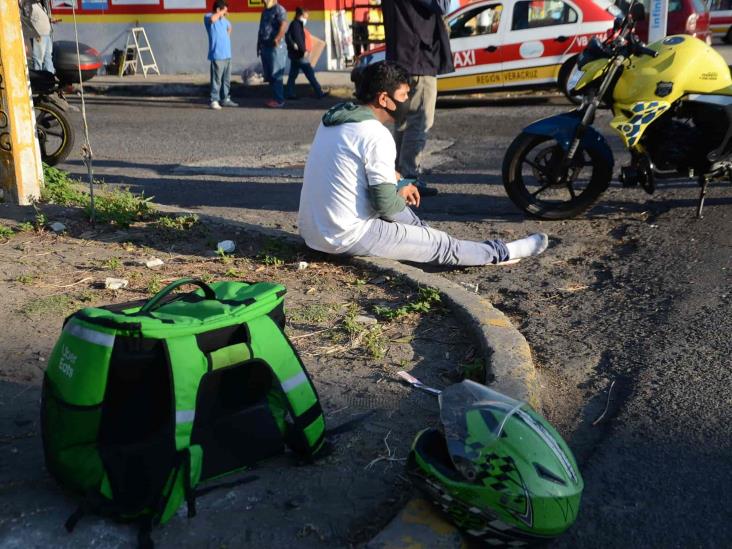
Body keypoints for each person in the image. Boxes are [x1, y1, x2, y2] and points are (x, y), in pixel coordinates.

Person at [297, 61, 548, 267]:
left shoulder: (337, 118)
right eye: (404, 95)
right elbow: (384, 205)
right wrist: (399, 192)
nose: (408, 100)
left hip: (313, 233)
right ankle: (501, 252)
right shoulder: (375, 134)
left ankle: (421, 235)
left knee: (413, 220)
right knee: (443, 246)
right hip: (345, 236)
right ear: (384, 98)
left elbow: (362, 166)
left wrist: (399, 180)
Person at [381, 0, 455, 197]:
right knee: (419, 121)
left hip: (401, 57)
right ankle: (408, 179)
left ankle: (397, 177)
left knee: (403, 121)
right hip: (418, 58)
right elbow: (442, 6)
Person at [285, 7, 329, 100]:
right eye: (306, 16)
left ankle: (289, 93)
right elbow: (299, 40)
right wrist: (303, 51)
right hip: (300, 55)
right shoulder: (296, 25)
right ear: (300, 15)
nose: (307, 18)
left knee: (292, 75)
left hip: (295, 55)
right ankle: (319, 92)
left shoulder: (295, 24)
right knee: (310, 73)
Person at [204, 0, 238, 110]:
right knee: (216, 79)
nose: (226, 13)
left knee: (226, 79)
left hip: (227, 54)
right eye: (224, 11)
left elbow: (230, 27)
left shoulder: (224, 20)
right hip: (217, 54)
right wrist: (220, 13)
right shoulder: (208, 16)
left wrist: (226, 36)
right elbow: (213, 19)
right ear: (218, 9)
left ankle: (225, 99)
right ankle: (214, 100)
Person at [257, 0, 288, 108]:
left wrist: (277, 38)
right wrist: (258, 44)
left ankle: (279, 100)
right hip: (265, 46)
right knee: (269, 75)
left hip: (276, 47)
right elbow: (261, 29)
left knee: (276, 74)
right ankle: (275, 97)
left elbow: (284, 24)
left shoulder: (279, 9)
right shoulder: (265, 11)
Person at [24, 0, 58, 73]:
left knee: (48, 57)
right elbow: (26, 20)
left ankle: (50, 76)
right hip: (39, 34)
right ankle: (38, 78)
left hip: (47, 33)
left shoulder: (41, 4)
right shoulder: (28, 4)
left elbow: (40, 17)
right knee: (38, 58)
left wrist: (50, 19)